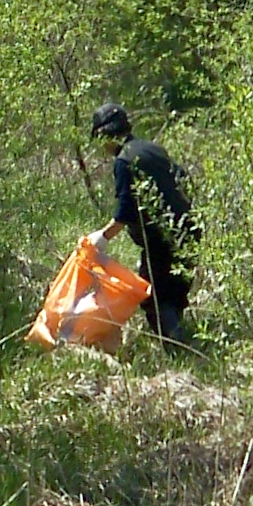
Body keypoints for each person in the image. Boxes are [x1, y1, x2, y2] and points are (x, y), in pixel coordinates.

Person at [92, 102, 199, 345]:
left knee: (154, 298)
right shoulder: (153, 149)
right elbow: (184, 182)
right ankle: (184, 349)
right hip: (190, 232)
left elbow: (125, 211)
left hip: (163, 241)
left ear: (104, 135)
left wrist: (102, 237)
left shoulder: (123, 161)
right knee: (173, 296)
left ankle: (180, 351)